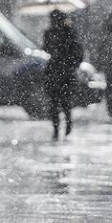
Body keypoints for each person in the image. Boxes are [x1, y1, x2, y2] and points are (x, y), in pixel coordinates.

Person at [42, 10, 83, 140]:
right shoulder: (51, 33)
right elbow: (46, 48)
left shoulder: (68, 32)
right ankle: (58, 128)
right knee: (57, 103)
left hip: (63, 72)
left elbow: (76, 52)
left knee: (62, 103)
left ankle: (65, 125)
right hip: (57, 71)